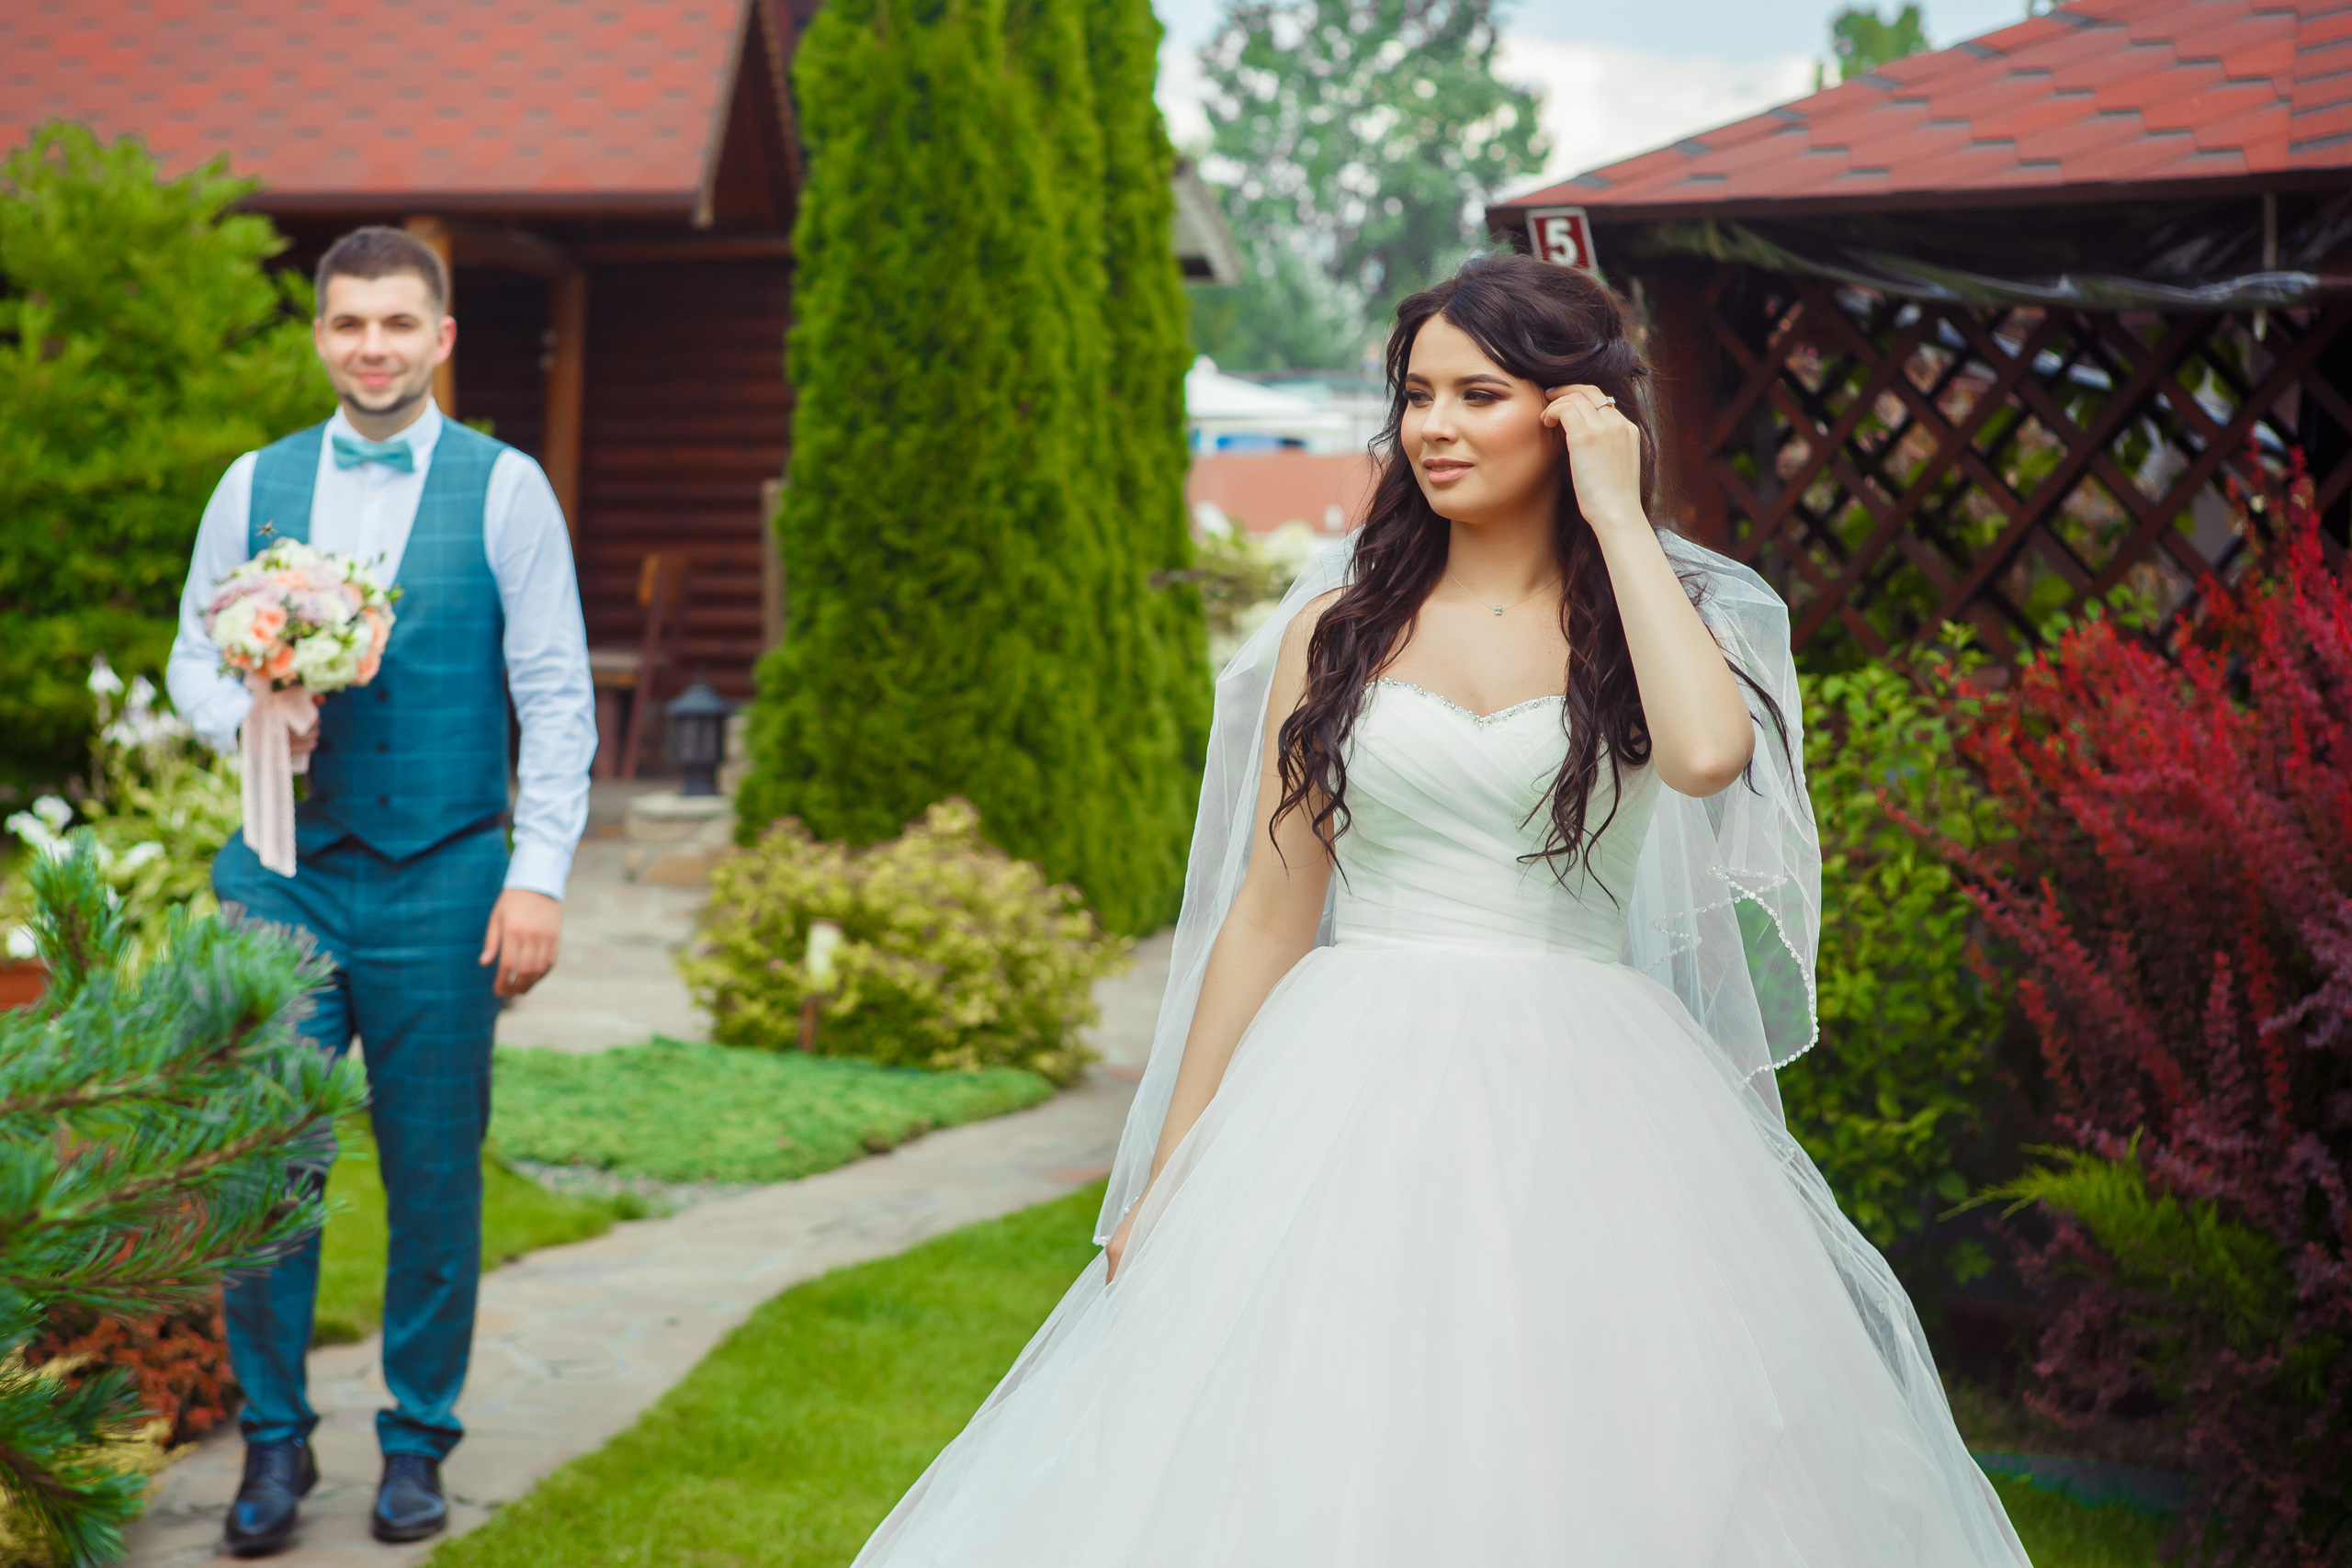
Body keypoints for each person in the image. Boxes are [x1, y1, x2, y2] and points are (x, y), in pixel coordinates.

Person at [851, 254, 2032, 1565]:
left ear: (1572, 412)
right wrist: (1171, 1169)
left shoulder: (1665, 621)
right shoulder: (1338, 630)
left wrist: (1619, 515)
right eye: (1417, 395)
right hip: (1340, 1083)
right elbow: (1265, 911)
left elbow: (1704, 756)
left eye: (1480, 393)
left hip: (1594, 1098)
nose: (1434, 427)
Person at [165, 226, 597, 1555]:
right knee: (263, 1173)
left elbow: (556, 699)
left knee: (432, 1174)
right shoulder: (255, 482)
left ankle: (417, 1442)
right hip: (279, 873)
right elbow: (189, 654)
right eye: (349, 323)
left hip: (449, 878)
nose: (372, 347)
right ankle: (276, 1447)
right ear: (320, 336)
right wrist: (251, 705)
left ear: (441, 338)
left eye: (398, 325)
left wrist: (537, 879)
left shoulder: (509, 488)